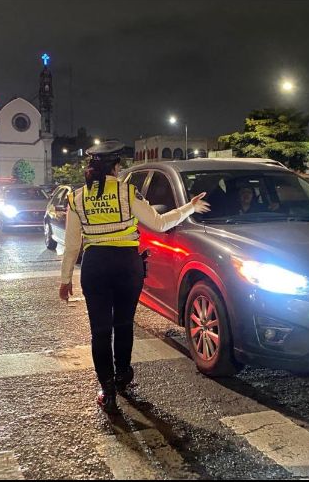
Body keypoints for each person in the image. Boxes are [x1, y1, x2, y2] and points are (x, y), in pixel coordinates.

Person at [58, 140, 210, 414]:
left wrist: (65, 278)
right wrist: (189, 207)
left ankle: (107, 390)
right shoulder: (127, 192)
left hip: (96, 266)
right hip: (127, 265)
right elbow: (160, 223)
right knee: (123, 324)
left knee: (100, 331)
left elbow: (71, 245)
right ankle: (122, 375)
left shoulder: (77, 198)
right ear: (116, 167)